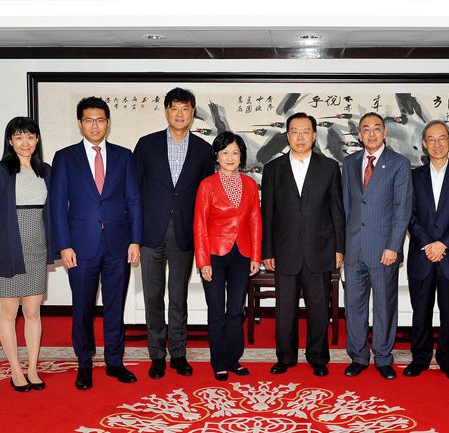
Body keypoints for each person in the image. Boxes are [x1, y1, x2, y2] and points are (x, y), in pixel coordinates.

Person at [51, 96, 142, 390]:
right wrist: (64, 245)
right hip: (80, 246)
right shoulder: (65, 157)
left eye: (100, 120)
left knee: (115, 306)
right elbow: (57, 205)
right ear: (80, 123)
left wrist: (135, 240)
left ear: (108, 123)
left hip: (118, 244)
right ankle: (84, 363)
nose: (95, 125)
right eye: (89, 120)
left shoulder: (124, 156)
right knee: (83, 308)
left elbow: (133, 200)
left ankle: (115, 362)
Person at [133, 88, 214, 379]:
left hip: (184, 234)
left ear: (192, 113)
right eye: (175, 109)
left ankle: (178, 353)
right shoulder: (147, 145)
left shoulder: (204, 150)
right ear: (167, 111)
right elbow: (134, 193)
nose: (180, 114)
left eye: (185, 109)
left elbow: (206, 198)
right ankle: (157, 355)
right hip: (151, 234)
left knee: (178, 297)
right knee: (153, 297)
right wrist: (134, 236)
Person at [261, 112, 345, 377]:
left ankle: (318, 357)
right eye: (295, 131)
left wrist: (339, 248)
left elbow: (337, 211)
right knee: (284, 309)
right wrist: (267, 251)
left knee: (319, 309)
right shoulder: (273, 169)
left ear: (314, 135)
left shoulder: (329, 167)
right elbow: (267, 213)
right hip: (284, 250)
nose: (300, 137)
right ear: (287, 136)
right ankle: (285, 357)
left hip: (320, 249)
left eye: (305, 131)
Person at [0, 117, 54, 392]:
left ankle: (33, 369)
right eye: (18, 137)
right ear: (10, 141)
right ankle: (15, 370)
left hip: (37, 245)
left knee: (33, 311)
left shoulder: (46, 171)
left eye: (30, 137)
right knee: (9, 312)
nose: (25, 142)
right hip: (7, 245)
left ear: (37, 139)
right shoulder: (1, 171)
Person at [341, 112, 412, 380]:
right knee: (354, 306)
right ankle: (358, 356)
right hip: (354, 248)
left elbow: (402, 209)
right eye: (366, 129)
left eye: (376, 128)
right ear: (359, 134)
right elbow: (346, 206)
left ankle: (383, 357)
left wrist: (394, 246)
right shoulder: (350, 163)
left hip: (384, 249)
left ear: (384, 132)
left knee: (384, 307)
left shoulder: (399, 163)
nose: (371, 134)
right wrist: (344, 245)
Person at [405, 120, 449, 381]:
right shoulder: (414, 176)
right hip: (421, 255)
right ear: (424, 143)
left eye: (442, 138)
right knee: (420, 312)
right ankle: (420, 358)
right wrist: (428, 244)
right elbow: (409, 215)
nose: (437, 144)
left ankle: (448, 360)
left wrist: (443, 244)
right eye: (431, 139)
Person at [193, 131, 261, 381]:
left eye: (235, 152)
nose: (230, 157)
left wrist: (256, 256)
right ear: (217, 156)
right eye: (225, 152)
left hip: (242, 255)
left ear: (241, 156)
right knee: (216, 310)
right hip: (214, 256)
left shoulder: (250, 184)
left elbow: (255, 221)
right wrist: (203, 261)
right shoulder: (207, 185)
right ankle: (219, 361)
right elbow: (199, 224)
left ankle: (234, 359)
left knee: (235, 310)